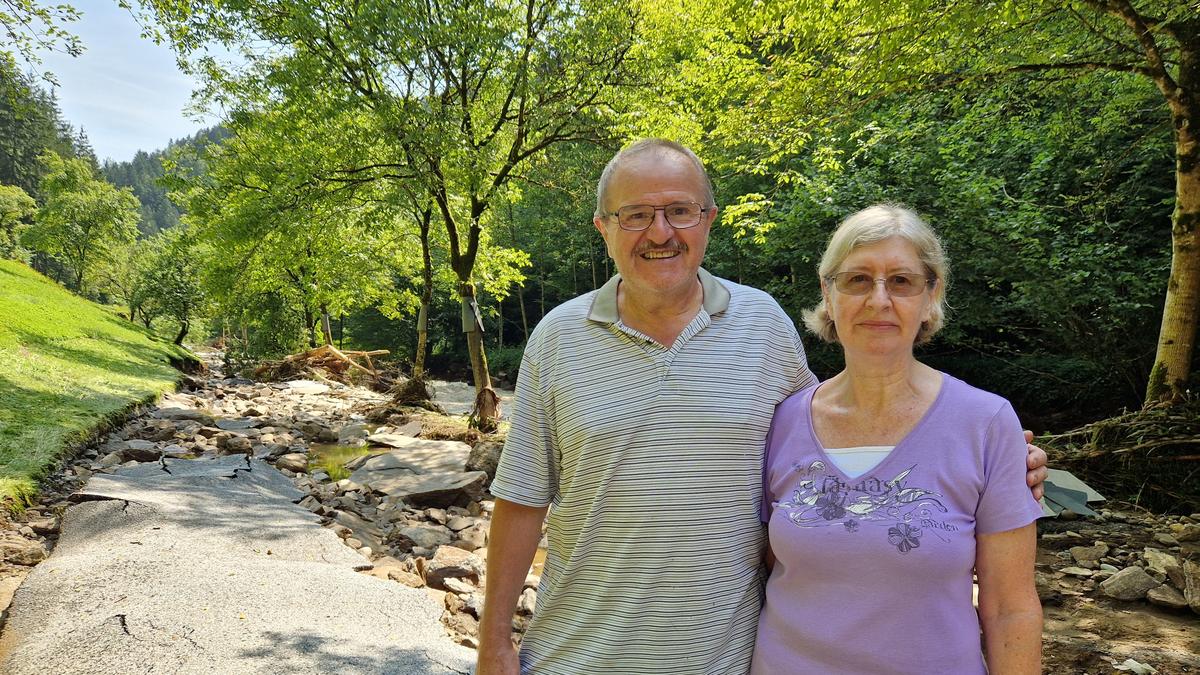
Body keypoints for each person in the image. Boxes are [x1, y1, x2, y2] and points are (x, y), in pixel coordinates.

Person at [476, 140, 1047, 675]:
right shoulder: (556, 338)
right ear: (604, 228)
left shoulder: (764, 326)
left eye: (680, 211)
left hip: (721, 658)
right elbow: (523, 495)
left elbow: (833, 444)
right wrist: (494, 639)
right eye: (636, 214)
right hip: (577, 652)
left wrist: (1000, 467)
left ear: (708, 221)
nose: (660, 232)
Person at [751, 204, 1043, 674]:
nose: (879, 300)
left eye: (902, 281)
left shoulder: (986, 423)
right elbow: (763, 564)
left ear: (932, 295)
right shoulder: (780, 422)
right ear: (828, 293)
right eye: (857, 280)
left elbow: (1011, 609)